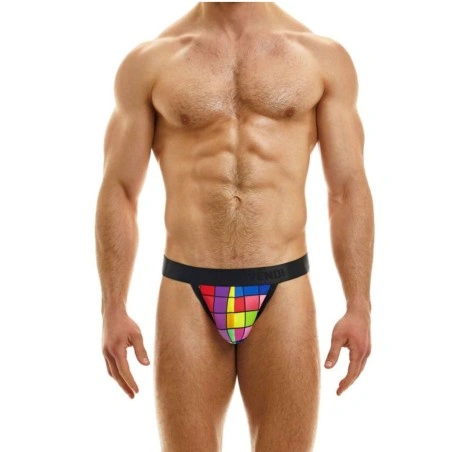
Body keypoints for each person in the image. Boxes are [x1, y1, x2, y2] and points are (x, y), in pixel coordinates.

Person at [95, 2, 374, 451]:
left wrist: (359, 304)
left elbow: (347, 188)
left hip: (284, 287)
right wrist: (113, 306)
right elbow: (120, 189)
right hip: (188, 290)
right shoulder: (151, 62)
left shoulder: (320, 58)